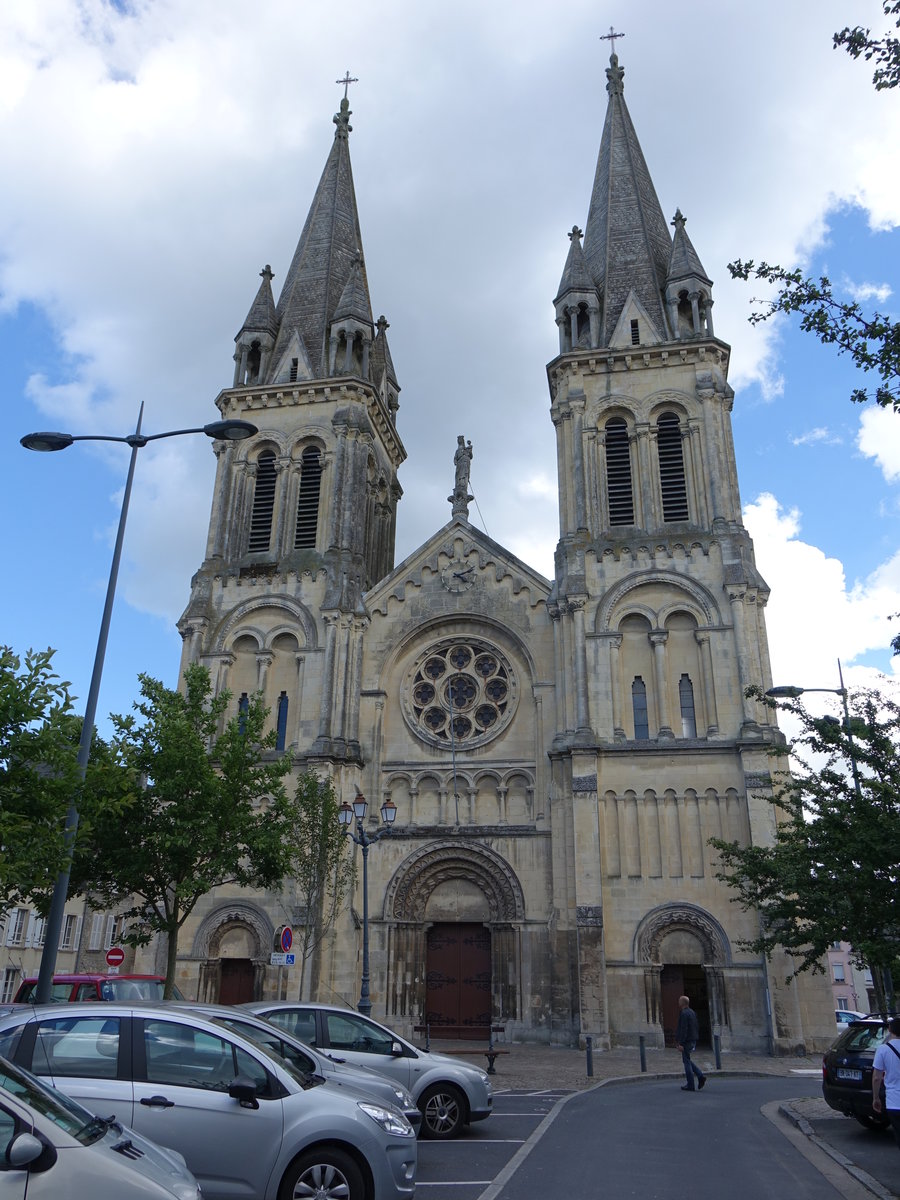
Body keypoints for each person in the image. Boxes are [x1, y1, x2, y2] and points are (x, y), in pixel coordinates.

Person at [872, 1015, 900, 1150]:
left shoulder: (883, 1049)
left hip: (894, 1101)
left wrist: (876, 1098)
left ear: (890, 1029)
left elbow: (877, 1077)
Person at [674, 994, 706, 1092]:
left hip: (686, 1041)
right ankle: (700, 1076)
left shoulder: (684, 1013)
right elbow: (696, 1026)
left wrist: (681, 1043)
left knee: (686, 1062)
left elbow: (684, 1029)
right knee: (687, 1059)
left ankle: (691, 1084)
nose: (678, 1002)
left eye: (679, 1001)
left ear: (682, 1003)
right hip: (692, 1039)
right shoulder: (692, 1012)